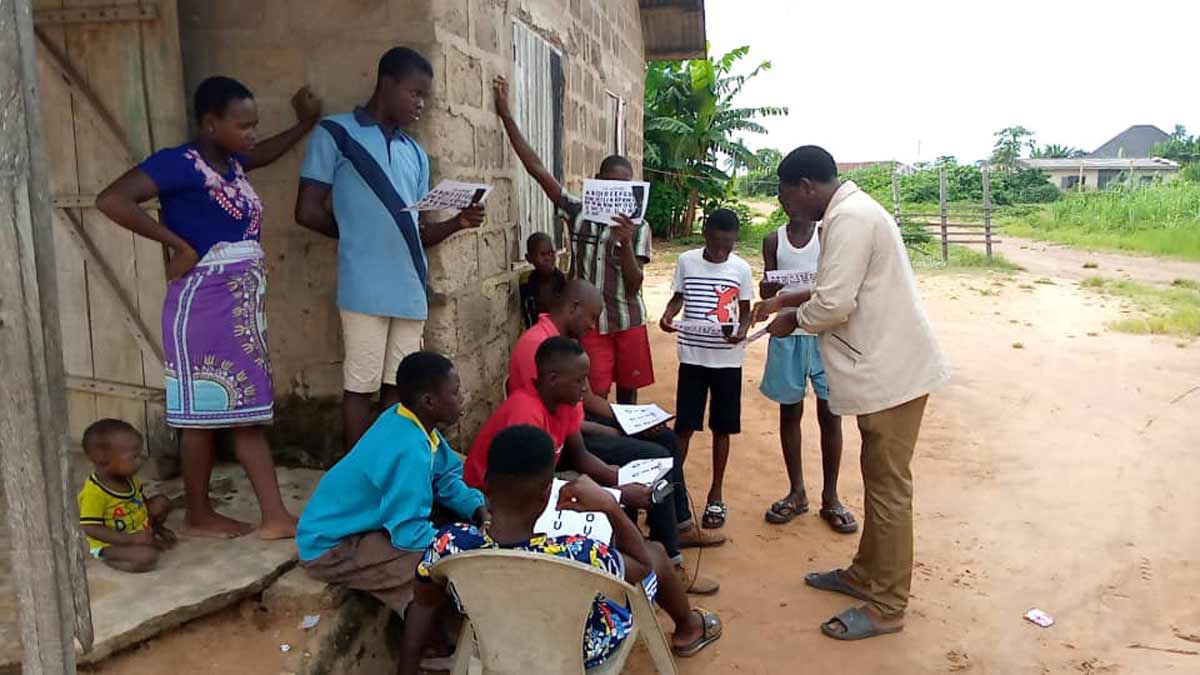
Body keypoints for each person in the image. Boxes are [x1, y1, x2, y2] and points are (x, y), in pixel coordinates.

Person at [96, 76, 321, 539]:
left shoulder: (234, 164)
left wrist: (306, 124)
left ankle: (209, 514)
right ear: (209, 123)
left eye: (254, 124)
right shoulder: (178, 164)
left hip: (239, 307)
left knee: (222, 412)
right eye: (243, 126)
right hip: (202, 304)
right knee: (224, 413)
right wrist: (176, 244)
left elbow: (262, 154)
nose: (251, 134)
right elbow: (111, 199)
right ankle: (268, 516)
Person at [754, 145, 951, 641]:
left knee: (888, 489)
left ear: (805, 186)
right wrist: (785, 298)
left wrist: (789, 320)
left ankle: (888, 605)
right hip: (885, 370)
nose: (785, 208)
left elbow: (835, 303)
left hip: (892, 375)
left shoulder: (850, 220)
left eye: (785, 196)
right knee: (878, 479)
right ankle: (866, 575)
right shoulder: (848, 214)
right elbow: (833, 284)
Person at [399, 425, 722, 674]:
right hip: (582, 649)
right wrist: (610, 506)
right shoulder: (578, 553)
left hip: (492, 641)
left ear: (486, 486)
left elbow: (422, 607)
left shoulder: (448, 543)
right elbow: (642, 565)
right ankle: (689, 627)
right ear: (546, 496)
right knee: (655, 554)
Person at [295, 47, 486, 454]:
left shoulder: (414, 153)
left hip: (409, 287)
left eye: (425, 97)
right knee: (359, 386)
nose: (421, 104)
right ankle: (358, 478)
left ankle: (389, 467)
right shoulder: (336, 133)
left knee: (400, 390)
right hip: (363, 286)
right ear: (387, 84)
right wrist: (356, 236)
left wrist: (458, 222)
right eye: (415, 93)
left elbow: (415, 231)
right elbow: (307, 211)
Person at [508, 280, 724, 587]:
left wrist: (628, 423)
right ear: (573, 308)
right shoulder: (539, 347)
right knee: (656, 457)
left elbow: (583, 401)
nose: (593, 326)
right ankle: (668, 565)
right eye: (592, 317)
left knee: (664, 438)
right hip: (556, 443)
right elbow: (567, 425)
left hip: (569, 429)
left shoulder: (557, 338)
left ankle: (679, 525)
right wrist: (620, 433)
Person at [494, 76, 654, 406]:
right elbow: (537, 169)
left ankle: (626, 450)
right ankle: (595, 449)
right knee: (593, 395)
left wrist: (624, 245)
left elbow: (635, 284)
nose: (616, 194)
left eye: (624, 188)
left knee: (628, 394)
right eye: (610, 186)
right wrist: (506, 116)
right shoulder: (578, 212)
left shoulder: (638, 227)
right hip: (591, 325)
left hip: (628, 320)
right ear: (597, 184)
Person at [296, 352, 489, 614]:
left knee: (453, 530)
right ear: (429, 401)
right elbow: (408, 531)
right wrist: (465, 545)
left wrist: (476, 509)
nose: (462, 397)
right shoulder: (410, 450)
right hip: (331, 548)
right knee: (434, 567)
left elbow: (446, 477)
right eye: (455, 392)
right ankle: (421, 635)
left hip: (360, 526)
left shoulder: (409, 420)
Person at [759, 216, 856, 534]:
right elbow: (767, 286)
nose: (791, 204)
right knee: (790, 413)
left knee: (831, 416)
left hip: (826, 334)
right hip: (788, 335)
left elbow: (835, 286)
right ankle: (797, 492)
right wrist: (769, 287)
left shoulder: (827, 235)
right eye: (784, 198)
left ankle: (831, 497)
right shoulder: (774, 240)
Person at [660, 209, 753, 530]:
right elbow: (678, 298)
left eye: (727, 245)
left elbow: (745, 312)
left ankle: (716, 494)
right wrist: (668, 316)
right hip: (692, 357)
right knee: (684, 427)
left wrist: (742, 330)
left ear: (734, 242)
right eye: (715, 244)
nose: (720, 251)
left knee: (722, 428)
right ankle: (673, 492)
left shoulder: (741, 268)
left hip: (727, 360)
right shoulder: (687, 261)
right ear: (705, 234)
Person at [78, 419, 177, 572]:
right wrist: (131, 539)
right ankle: (112, 559)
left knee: (161, 502)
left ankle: (149, 536)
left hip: (136, 529)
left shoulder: (130, 479)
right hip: (111, 543)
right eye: (134, 457)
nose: (141, 460)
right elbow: (90, 528)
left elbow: (140, 503)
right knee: (147, 557)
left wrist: (158, 529)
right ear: (103, 460)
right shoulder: (95, 492)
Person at [519, 232, 567, 328]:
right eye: (543, 254)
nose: (548, 258)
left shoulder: (562, 281)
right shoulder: (527, 283)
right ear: (529, 258)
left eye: (552, 253)